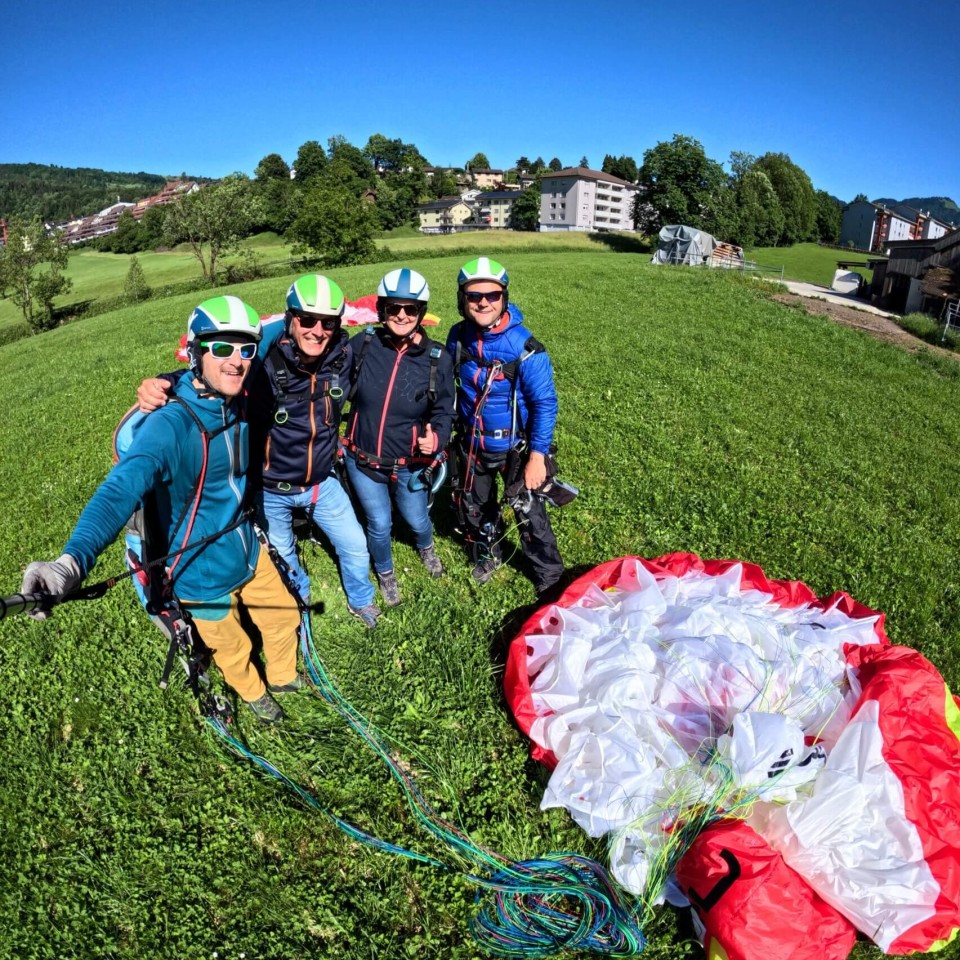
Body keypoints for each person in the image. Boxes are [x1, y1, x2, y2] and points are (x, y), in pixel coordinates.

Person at [21, 296, 301, 724]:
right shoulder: (170, 425)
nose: (237, 360)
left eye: (245, 349)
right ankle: (254, 693)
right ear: (195, 352)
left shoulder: (236, 388)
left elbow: (279, 325)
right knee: (232, 648)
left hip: (246, 547)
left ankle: (283, 677)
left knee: (284, 617)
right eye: (221, 348)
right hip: (199, 572)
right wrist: (71, 561)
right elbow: (120, 489)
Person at [137, 275, 381, 628]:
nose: (318, 330)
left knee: (356, 547)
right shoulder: (264, 357)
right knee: (284, 559)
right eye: (307, 319)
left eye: (328, 322)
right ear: (290, 318)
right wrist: (166, 381)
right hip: (272, 490)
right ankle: (301, 602)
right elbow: (213, 372)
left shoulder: (343, 355)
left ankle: (361, 601)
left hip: (321, 483)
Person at [447, 257, 565, 597]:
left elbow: (545, 403)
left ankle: (550, 576)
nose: (483, 302)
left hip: (515, 447)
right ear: (462, 299)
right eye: (473, 296)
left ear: (504, 298)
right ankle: (490, 554)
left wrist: (538, 457)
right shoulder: (458, 337)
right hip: (472, 445)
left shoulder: (527, 349)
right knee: (475, 507)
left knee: (530, 514)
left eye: (492, 295)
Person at [342, 268, 455, 606]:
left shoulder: (437, 359)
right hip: (362, 460)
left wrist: (437, 440)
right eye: (394, 308)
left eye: (411, 309)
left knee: (417, 519)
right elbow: (332, 386)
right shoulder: (362, 345)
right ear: (382, 310)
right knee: (378, 523)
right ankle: (386, 573)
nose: (402, 315)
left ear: (421, 313)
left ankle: (426, 547)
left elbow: (445, 412)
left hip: (409, 464)